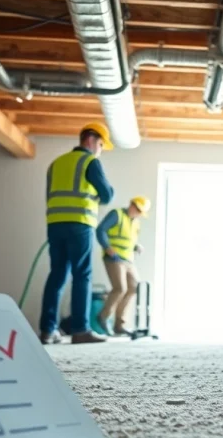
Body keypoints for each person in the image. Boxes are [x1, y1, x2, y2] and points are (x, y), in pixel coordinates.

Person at [39, 122, 116, 345]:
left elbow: (50, 196)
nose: (100, 149)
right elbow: (107, 195)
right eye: (101, 144)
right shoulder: (90, 161)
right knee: (82, 274)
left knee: (57, 275)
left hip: (55, 224)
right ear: (91, 140)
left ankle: (47, 330)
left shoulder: (56, 164)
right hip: (80, 223)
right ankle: (80, 330)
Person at [95, 196, 149, 336]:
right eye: (136, 209)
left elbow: (129, 239)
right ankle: (103, 317)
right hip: (114, 258)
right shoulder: (116, 215)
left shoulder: (136, 223)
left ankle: (119, 324)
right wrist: (108, 248)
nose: (137, 213)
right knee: (120, 288)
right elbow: (100, 230)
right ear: (131, 204)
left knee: (133, 287)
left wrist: (136, 246)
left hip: (128, 259)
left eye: (140, 211)